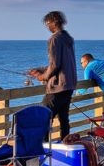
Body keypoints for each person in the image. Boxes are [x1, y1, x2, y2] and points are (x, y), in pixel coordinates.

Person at [28, 11, 77, 142]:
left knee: (43, 118)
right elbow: (61, 63)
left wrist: (42, 77)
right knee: (64, 119)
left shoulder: (54, 39)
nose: (47, 27)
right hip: (69, 85)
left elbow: (55, 65)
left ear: (54, 22)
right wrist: (41, 70)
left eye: (48, 23)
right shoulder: (68, 38)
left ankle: (42, 149)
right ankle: (65, 146)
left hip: (57, 88)